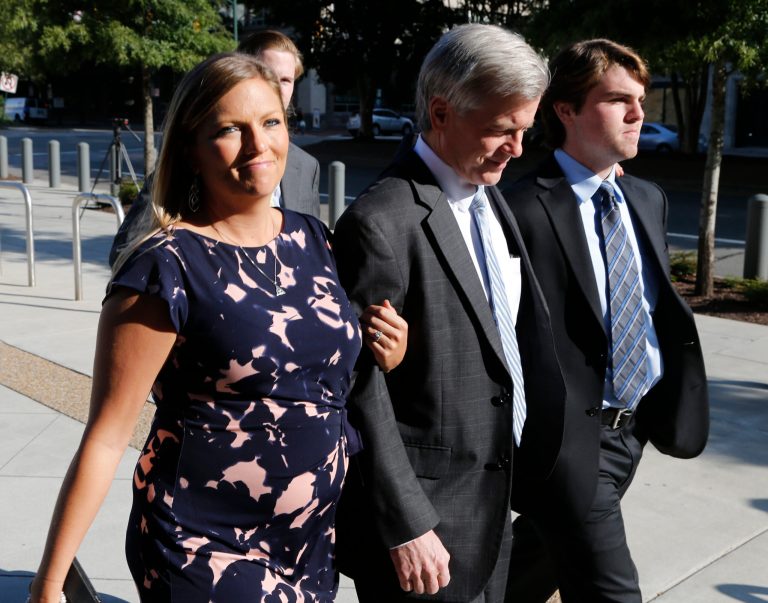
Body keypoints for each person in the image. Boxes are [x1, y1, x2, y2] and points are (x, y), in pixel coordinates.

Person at [29, 52, 406, 603]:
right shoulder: (163, 267)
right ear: (191, 147)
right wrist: (49, 583)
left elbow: (314, 373)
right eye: (231, 130)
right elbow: (107, 436)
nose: (258, 146)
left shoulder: (313, 239)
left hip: (310, 544)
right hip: (203, 546)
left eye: (270, 123)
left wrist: (384, 353)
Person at [332, 24, 565, 602]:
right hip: (425, 532)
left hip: (490, 509)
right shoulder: (379, 223)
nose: (516, 149)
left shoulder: (489, 198)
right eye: (499, 130)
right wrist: (406, 522)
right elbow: (359, 391)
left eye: (524, 131)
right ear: (441, 112)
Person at [503, 39, 709, 602]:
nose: (639, 113)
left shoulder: (647, 199)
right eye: (619, 100)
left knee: (531, 566)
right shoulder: (518, 208)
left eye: (640, 99)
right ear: (565, 110)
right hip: (568, 440)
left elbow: (653, 306)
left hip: (633, 429)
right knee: (612, 591)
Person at [109, 30, 320, 266]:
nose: (275, 88)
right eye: (265, 72)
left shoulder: (306, 167)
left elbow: (312, 258)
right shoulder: (194, 160)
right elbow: (126, 254)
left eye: (286, 80)